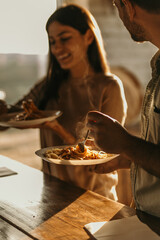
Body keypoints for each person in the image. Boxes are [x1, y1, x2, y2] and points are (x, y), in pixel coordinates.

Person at [0, 4, 127, 200]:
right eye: (52, 42)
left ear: (88, 37)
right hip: (52, 196)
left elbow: (100, 157)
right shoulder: (48, 86)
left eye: (65, 38)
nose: (57, 48)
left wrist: (55, 128)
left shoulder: (109, 87)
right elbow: (9, 119)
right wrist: (3, 109)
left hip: (97, 199)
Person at [87, 0, 160, 217]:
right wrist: (129, 157)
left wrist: (127, 144)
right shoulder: (157, 63)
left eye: (116, 6)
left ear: (128, 7)